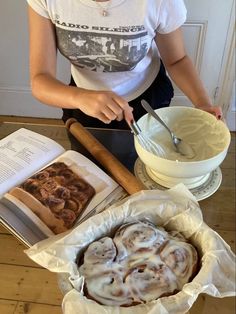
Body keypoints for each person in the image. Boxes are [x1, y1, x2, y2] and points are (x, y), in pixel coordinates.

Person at [26, 0, 222, 130]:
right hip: (82, 102)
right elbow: (40, 80)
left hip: (147, 102)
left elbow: (177, 60)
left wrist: (203, 103)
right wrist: (80, 97)